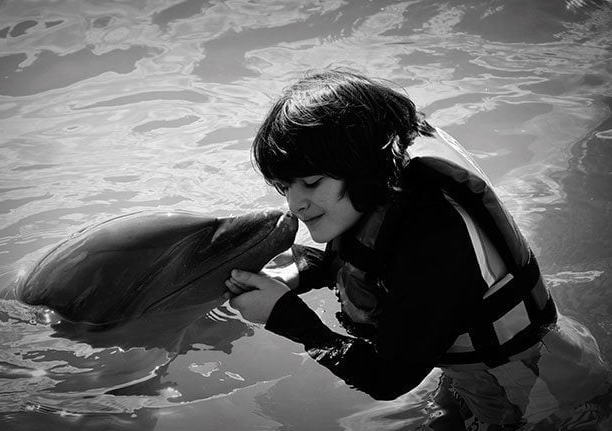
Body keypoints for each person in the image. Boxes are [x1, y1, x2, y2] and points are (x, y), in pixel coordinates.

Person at [223, 70, 611, 429]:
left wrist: (286, 318)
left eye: (310, 182)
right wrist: (304, 270)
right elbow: (373, 261)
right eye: (284, 187)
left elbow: (388, 378)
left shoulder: (434, 237)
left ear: (363, 166)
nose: (295, 204)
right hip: (485, 370)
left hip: (538, 389)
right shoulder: (385, 190)